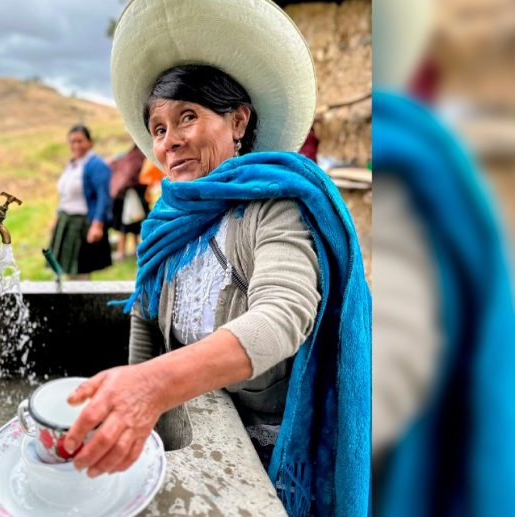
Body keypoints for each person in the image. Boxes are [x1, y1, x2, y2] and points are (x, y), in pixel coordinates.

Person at [59, 2, 371, 516]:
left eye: (187, 117)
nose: (170, 141)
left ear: (238, 121)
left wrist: (154, 387)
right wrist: (135, 421)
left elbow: (283, 315)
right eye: (158, 128)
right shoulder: (170, 220)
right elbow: (145, 325)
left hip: (273, 456)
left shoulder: (274, 208)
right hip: (200, 434)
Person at [48, 124, 112, 278]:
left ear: (90, 142)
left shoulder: (96, 165)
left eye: (80, 141)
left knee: (80, 270)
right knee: (63, 270)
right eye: (72, 141)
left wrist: (97, 225)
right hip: (66, 221)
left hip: (82, 224)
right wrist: (57, 218)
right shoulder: (72, 165)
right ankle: (65, 298)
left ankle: (81, 299)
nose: (76, 145)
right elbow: (65, 195)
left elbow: (103, 196)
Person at [109, 144, 148, 259]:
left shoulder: (131, 156)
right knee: (126, 226)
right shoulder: (137, 156)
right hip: (129, 197)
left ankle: (135, 250)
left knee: (134, 225)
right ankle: (122, 252)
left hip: (131, 196)